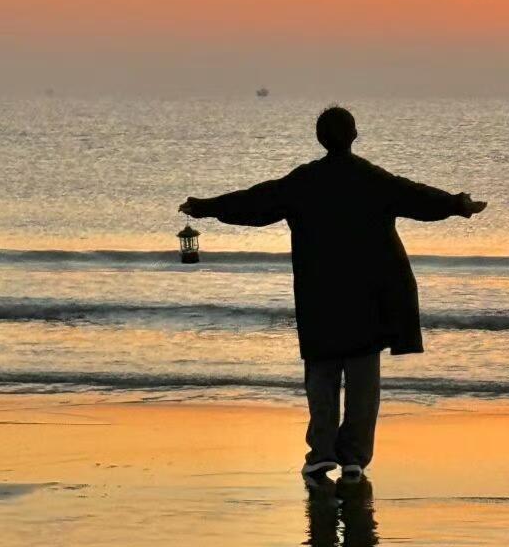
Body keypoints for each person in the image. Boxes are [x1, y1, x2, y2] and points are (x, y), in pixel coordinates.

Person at [180, 106, 485, 491]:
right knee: (363, 383)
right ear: (354, 135)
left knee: (322, 377)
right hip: (369, 296)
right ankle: (354, 459)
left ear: (320, 138)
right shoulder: (369, 178)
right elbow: (415, 197)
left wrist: (206, 207)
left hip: (319, 294)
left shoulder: (303, 182)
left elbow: (255, 202)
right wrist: (457, 204)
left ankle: (322, 451)